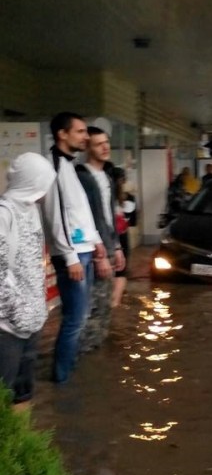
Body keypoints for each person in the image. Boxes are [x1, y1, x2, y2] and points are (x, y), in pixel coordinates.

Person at [41, 112, 109, 384]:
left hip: (84, 250)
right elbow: (55, 218)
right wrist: (71, 258)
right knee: (75, 319)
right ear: (62, 134)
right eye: (80, 131)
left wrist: (96, 242)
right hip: (72, 255)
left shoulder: (69, 167)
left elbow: (80, 212)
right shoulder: (53, 168)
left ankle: (69, 370)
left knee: (80, 317)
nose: (85, 136)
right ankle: (61, 379)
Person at [0, 153, 56, 409]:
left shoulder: (32, 210)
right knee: (4, 394)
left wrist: (37, 311)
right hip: (7, 328)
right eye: (43, 182)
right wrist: (18, 313)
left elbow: (34, 265)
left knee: (23, 394)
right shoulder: (4, 215)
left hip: (32, 322)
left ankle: (24, 446)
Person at [75, 127, 125, 349]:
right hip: (93, 251)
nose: (105, 147)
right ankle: (85, 352)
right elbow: (86, 219)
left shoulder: (106, 177)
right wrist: (99, 255)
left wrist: (117, 247)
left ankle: (96, 351)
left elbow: (109, 216)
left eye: (107, 143)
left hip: (108, 247)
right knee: (93, 305)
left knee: (105, 304)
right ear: (87, 148)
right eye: (98, 144)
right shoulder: (82, 177)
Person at [110, 166, 136, 307]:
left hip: (106, 238)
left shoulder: (104, 196)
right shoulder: (129, 199)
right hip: (122, 237)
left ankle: (109, 301)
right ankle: (115, 302)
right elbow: (133, 221)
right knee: (121, 271)